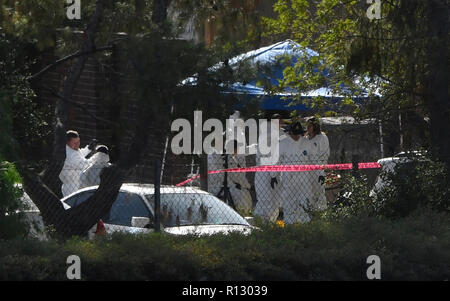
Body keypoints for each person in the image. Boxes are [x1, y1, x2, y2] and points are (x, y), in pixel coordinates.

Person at [276, 121, 312, 224]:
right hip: (289, 178)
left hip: (304, 178)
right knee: (289, 204)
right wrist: (274, 175)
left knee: (305, 202)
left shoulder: (306, 143)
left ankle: (305, 226)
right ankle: (289, 226)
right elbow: (276, 160)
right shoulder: (283, 143)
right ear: (290, 132)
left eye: (298, 134)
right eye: (294, 134)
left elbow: (312, 160)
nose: (296, 136)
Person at [253, 114, 286, 222]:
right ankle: (262, 223)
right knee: (268, 200)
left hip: (266, 171)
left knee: (269, 200)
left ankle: (264, 223)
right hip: (268, 172)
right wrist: (273, 174)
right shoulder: (275, 135)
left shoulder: (277, 135)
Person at [59, 130, 97, 197]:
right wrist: (98, 158)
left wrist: (88, 148)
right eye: (75, 143)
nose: (78, 144)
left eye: (78, 141)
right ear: (67, 142)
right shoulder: (69, 154)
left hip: (76, 184)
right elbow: (84, 165)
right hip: (72, 188)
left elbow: (79, 155)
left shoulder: (71, 149)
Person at [305, 117, 330, 211]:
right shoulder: (306, 139)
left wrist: (320, 172)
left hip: (318, 171)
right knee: (308, 194)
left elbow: (325, 155)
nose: (307, 128)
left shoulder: (322, 138)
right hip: (307, 172)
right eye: (307, 126)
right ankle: (310, 213)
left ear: (315, 126)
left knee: (319, 193)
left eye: (310, 126)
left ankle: (322, 212)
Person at [227, 140, 253, 214]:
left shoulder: (233, 159)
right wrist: (248, 186)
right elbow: (237, 176)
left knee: (246, 196)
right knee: (244, 198)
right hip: (233, 186)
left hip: (236, 185)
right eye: (237, 147)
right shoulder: (229, 160)